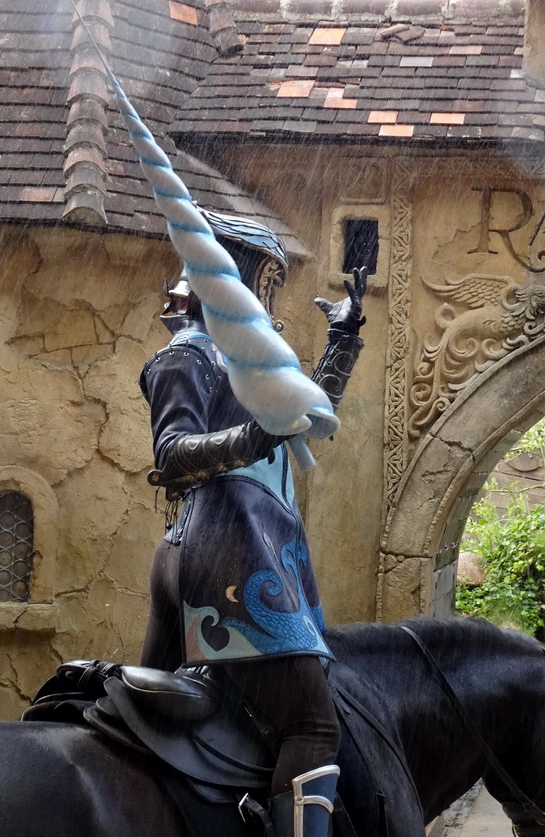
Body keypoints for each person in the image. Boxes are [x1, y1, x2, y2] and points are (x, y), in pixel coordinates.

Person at [138, 208, 367, 837]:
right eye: (267, 280)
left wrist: (343, 346)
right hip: (229, 551)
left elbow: (304, 419)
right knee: (312, 725)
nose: (272, 295)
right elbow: (172, 455)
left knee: (159, 720)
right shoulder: (187, 356)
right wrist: (251, 435)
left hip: (237, 547)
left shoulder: (245, 363)